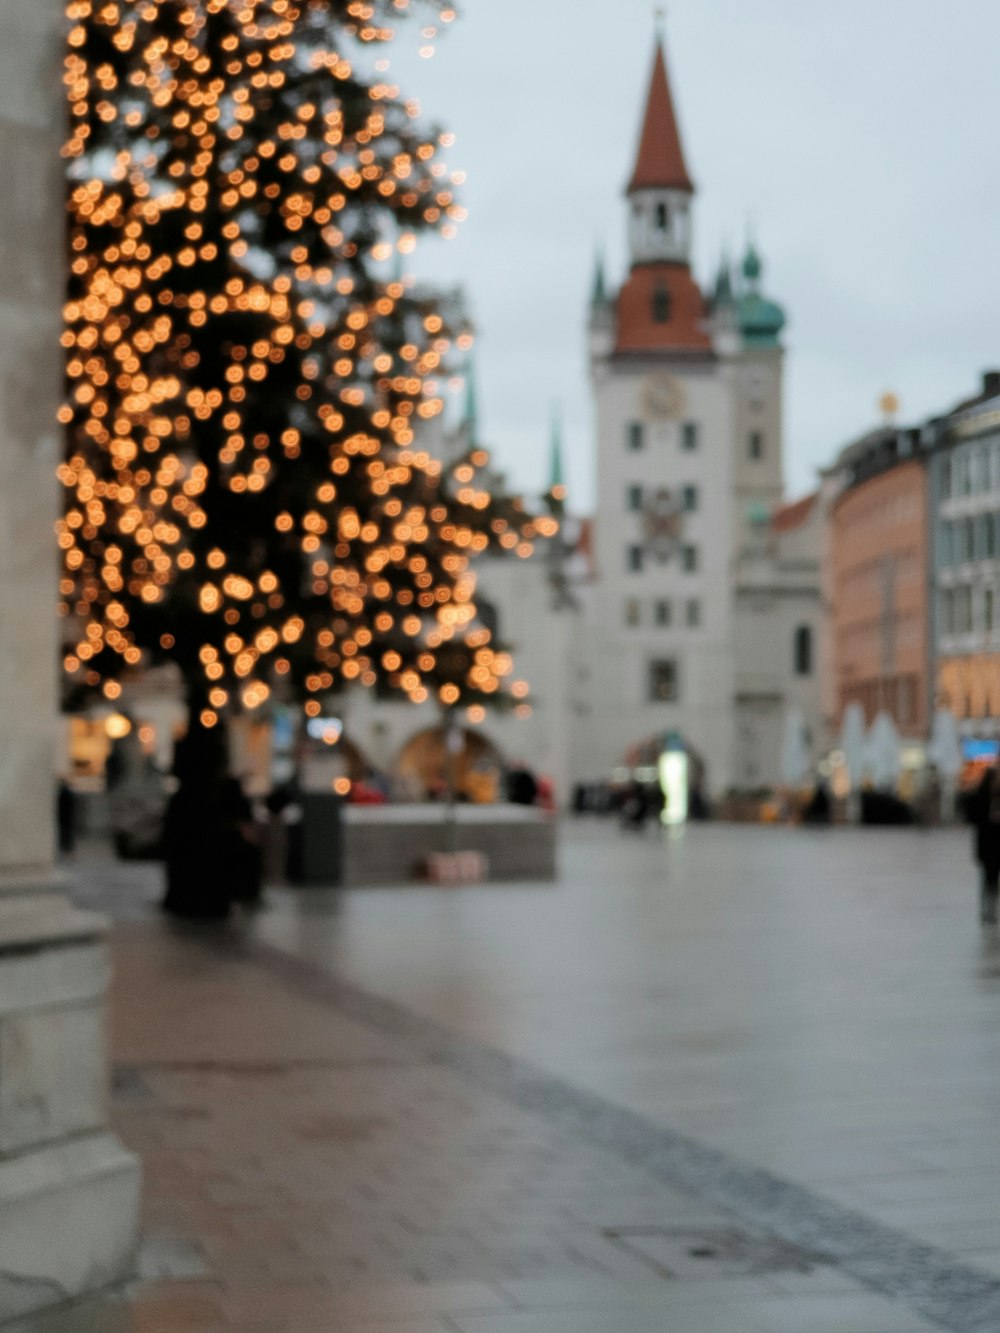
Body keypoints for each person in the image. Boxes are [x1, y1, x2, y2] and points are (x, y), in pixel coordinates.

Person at [965, 763, 1000, 923]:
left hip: (995, 843)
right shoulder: (980, 797)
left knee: (994, 878)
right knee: (987, 878)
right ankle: (986, 909)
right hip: (987, 844)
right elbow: (973, 817)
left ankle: (991, 908)